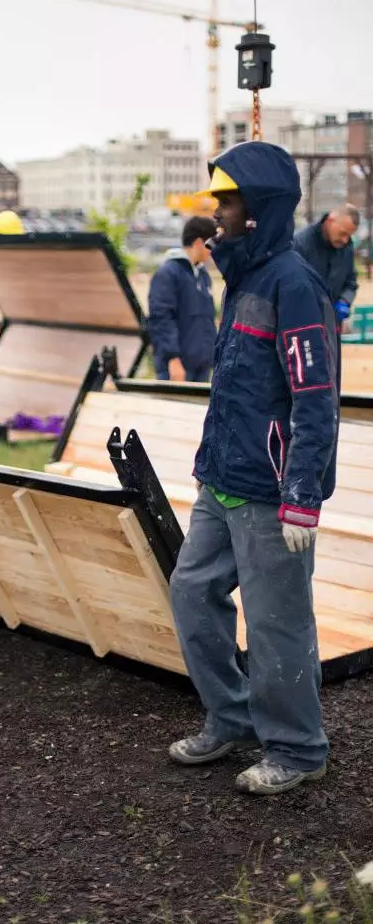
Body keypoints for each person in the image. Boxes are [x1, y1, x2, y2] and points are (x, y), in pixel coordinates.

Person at [167, 141, 340, 796]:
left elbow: (315, 399)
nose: (217, 212)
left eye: (227, 200)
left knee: (276, 624)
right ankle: (233, 717)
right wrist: (209, 463)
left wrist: (302, 496)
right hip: (223, 480)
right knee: (191, 593)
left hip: (272, 492)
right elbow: (237, 384)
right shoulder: (242, 277)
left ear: (259, 208)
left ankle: (297, 748)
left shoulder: (295, 287)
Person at [147, 216, 218, 382]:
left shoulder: (203, 275)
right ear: (199, 242)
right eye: (212, 245)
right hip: (177, 368)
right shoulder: (168, 274)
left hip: (201, 366)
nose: (213, 251)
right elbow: (161, 319)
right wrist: (172, 359)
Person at [293, 204, 359, 325]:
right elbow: (292, 286)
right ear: (330, 221)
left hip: (333, 324)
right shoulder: (301, 244)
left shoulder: (346, 247)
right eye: (343, 233)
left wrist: (345, 301)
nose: (345, 240)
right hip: (304, 324)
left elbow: (351, 282)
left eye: (349, 235)